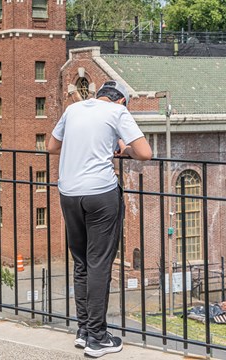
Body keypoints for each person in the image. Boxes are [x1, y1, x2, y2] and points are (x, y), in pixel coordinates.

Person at [47, 80, 152, 357]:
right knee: (99, 264)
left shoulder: (73, 109)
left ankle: (83, 330)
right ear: (120, 101)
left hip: (68, 192)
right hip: (100, 194)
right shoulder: (118, 113)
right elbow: (145, 153)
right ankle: (97, 336)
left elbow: (51, 146)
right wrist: (123, 149)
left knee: (81, 261)